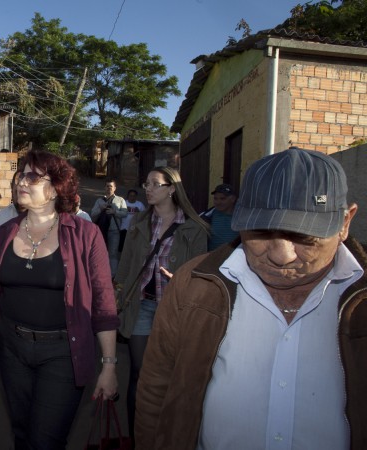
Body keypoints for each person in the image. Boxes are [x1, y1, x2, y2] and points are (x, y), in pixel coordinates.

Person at [136, 148, 367, 449]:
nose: (281, 255)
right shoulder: (194, 285)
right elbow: (157, 390)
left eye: (305, 236)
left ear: (345, 222)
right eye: (260, 232)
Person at [0, 151, 119, 449]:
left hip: (63, 354)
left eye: (32, 177)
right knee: (22, 433)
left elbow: (104, 303)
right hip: (11, 349)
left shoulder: (85, 234)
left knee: (46, 440)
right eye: (21, 176)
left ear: (56, 187)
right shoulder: (4, 233)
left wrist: (108, 364)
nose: (21, 183)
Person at [115, 166, 208, 439]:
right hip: (141, 305)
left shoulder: (195, 229)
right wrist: (116, 294)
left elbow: (199, 276)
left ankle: (167, 435)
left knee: (170, 375)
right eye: (147, 184)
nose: (148, 188)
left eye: (155, 184)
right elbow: (126, 265)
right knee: (139, 373)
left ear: (171, 188)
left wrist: (181, 278)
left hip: (174, 312)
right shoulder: (139, 224)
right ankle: (137, 437)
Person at [90, 180, 128, 276]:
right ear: (104, 188)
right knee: (99, 253)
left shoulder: (120, 200)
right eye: (107, 186)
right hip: (101, 231)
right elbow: (93, 215)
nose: (109, 188)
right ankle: (100, 274)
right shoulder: (99, 201)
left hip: (114, 231)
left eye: (111, 186)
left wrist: (115, 212)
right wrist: (100, 209)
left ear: (115, 188)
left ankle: (112, 275)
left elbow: (125, 213)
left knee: (113, 253)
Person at [200, 183, 239, 250]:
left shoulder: (242, 217)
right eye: (215, 198)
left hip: (235, 257)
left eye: (222, 199)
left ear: (233, 199)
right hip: (212, 257)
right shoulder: (206, 216)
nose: (218, 202)